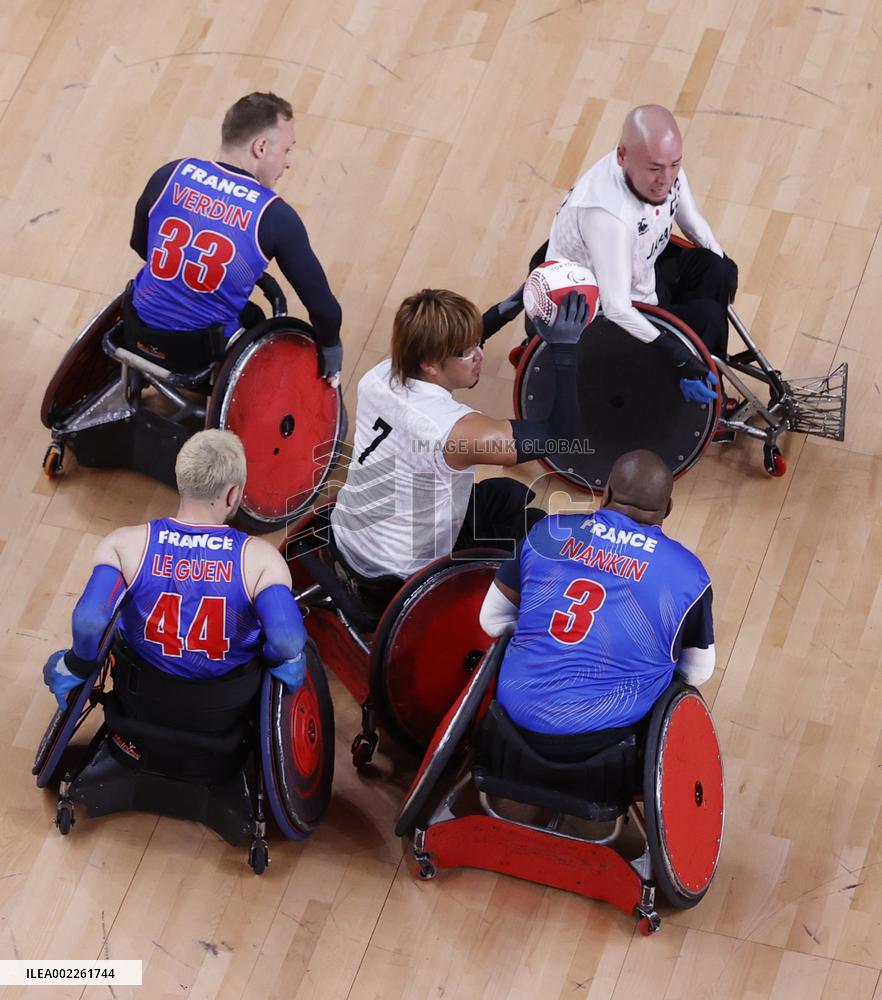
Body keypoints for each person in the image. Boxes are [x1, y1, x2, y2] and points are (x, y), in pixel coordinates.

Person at [329, 287, 590, 595]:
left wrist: (515, 302)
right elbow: (560, 435)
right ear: (429, 364)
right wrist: (564, 350)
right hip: (402, 573)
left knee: (507, 494)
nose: (480, 354)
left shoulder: (380, 374)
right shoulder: (455, 432)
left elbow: (440, 339)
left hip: (348, 537)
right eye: (468, 352)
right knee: (542, 530)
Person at [42, 430, 307, 715]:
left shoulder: (124, 545)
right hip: (224, 707)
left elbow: (90, 621)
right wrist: (281, 662)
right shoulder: (261, 560)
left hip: (141, 697)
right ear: (233, 495)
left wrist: (77, 664)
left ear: (181, 479)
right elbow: (287, 639)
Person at [479, 449, 714, 759]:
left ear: (607, 494)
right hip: (607, 744)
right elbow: (697, 672)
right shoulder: (688, 573)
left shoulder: (548, 532)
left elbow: (491, 621)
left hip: (511, 720)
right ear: (668, 508)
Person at [129, 92, 343, 379]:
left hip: (135, 328)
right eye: (287, 150)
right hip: (200, 352)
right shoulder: (274, 215)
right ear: (261, 146)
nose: (288, 162)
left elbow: (140, 245)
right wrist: (331, 348)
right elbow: (324, 310)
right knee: (256, 317)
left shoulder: (170, 173)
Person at [548, 104, 738, 406]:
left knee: (713, 268)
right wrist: (677, 355)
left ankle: (706, 378)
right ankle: (699, 401)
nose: (667, 177)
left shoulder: (661, 167)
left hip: (641, 278)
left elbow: (691, 221)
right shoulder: (607, 215)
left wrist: (722, 260)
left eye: (675, 164)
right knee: (708, 318)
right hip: (603, 324)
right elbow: (617, 309)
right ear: (622, 156)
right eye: (655, 168)